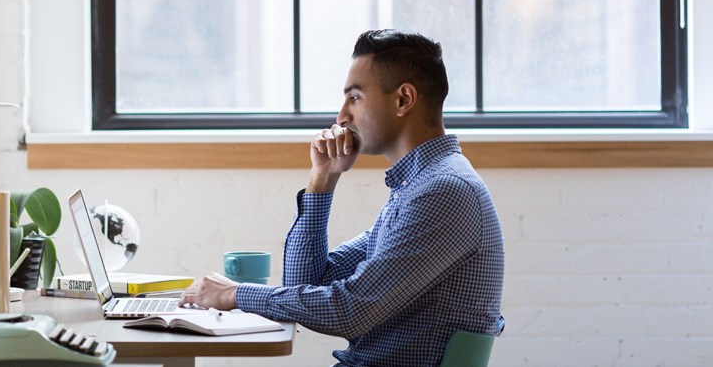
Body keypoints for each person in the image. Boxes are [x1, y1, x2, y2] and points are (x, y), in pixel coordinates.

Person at [180, 29, 505, 366]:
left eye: (355, 97)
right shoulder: (416, 187)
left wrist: (234, 294)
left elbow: (350, 311)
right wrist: (323, 178)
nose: (342, 117)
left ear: (403, 100)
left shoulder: (443, 192)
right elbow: (306, 283)